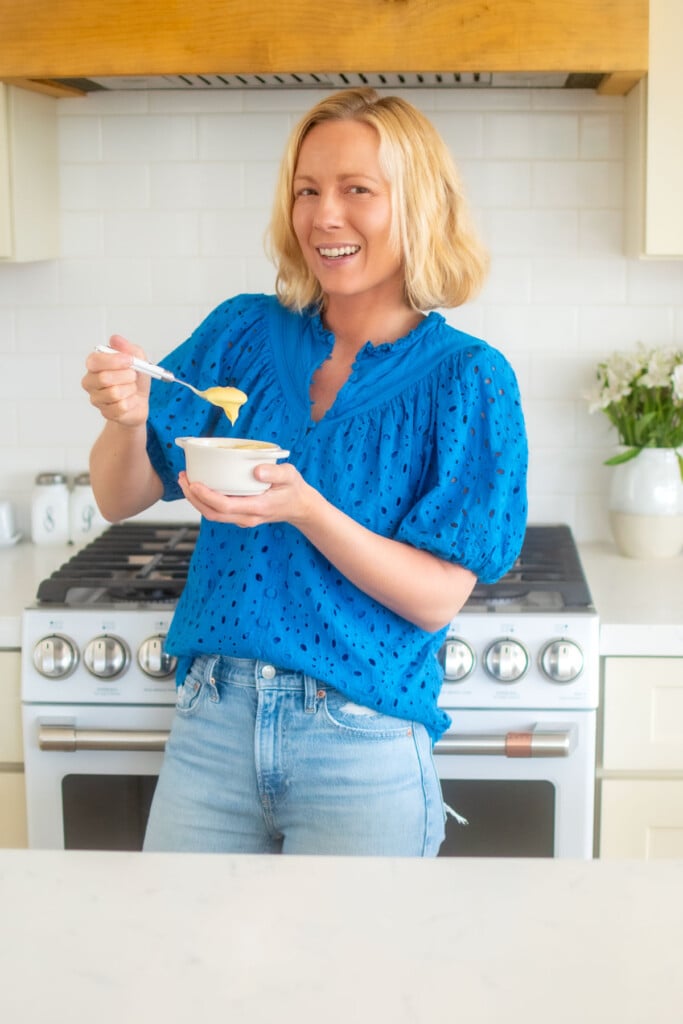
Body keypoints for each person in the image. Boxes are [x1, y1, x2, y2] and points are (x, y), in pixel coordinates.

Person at [82, 87, 528, 857]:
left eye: (357, 190)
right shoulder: (243, 330)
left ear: (417, 206)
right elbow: (118, 497)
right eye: (306, 191)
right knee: (179, 970)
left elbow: (434, 599)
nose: (324, 215)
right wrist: (125, 423)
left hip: (361, 741)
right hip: (209, 725)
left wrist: (307, 510)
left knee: (350, 981)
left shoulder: (467, 380)